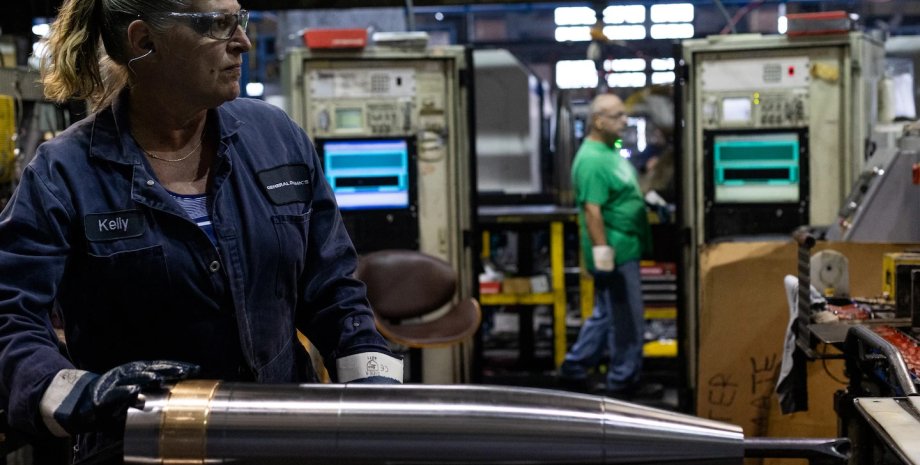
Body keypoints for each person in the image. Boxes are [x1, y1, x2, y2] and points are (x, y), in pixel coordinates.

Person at [0, 0, 402, 462]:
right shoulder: (65, 172)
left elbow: (334, 289)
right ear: (144, 41)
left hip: (282, 441)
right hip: (140, 449)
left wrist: (375, 384)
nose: (243, 41)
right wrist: (80, 394)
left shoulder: (276, 139)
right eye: (216, 24)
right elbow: (10, 315)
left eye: (240, 19)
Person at [559, 93, 652, 397]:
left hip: (625, 245)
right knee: (627, 319)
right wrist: (603, 255)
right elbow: (592, 211)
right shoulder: (591, 160)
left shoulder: (609, 151)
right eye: (618, 116)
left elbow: (621, 190)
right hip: (615, 250)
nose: (625, 121)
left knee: (609, 313)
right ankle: (622, 383)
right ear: (599, 121)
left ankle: (574, 368)